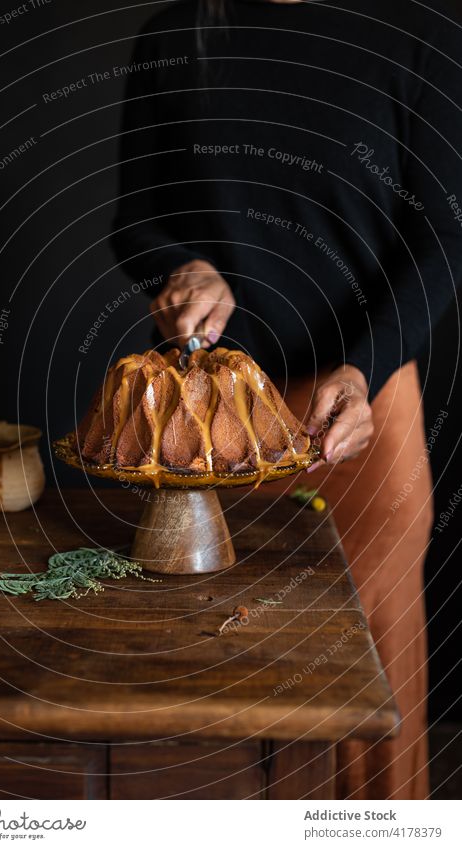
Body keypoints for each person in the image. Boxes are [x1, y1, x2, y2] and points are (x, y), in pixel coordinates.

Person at [111, 0, 462, 798]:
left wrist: (362, 368)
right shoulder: (176, 33)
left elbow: (447, 235)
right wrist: (186, 264)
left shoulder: (420, 33)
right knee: (217, 708)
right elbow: (135, 220)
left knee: (358, 725)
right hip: (209, 425)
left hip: (354, 420)